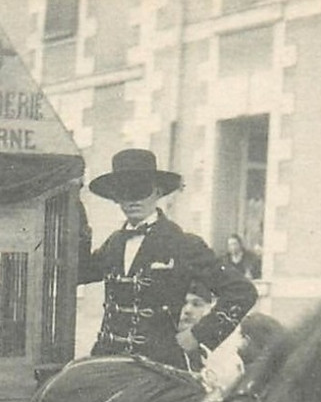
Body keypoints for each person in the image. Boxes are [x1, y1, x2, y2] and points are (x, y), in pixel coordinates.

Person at [79, 148, 256, 368]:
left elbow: (242, 291)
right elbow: (77, 272)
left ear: (158, 192)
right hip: (106, 359)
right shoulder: (113, 244)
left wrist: (199, 335)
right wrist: (76, 212)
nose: (133, 199)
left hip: (159, 365)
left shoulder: (182, 243)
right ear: (116, 197)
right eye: (125, 191)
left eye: (141, 190)